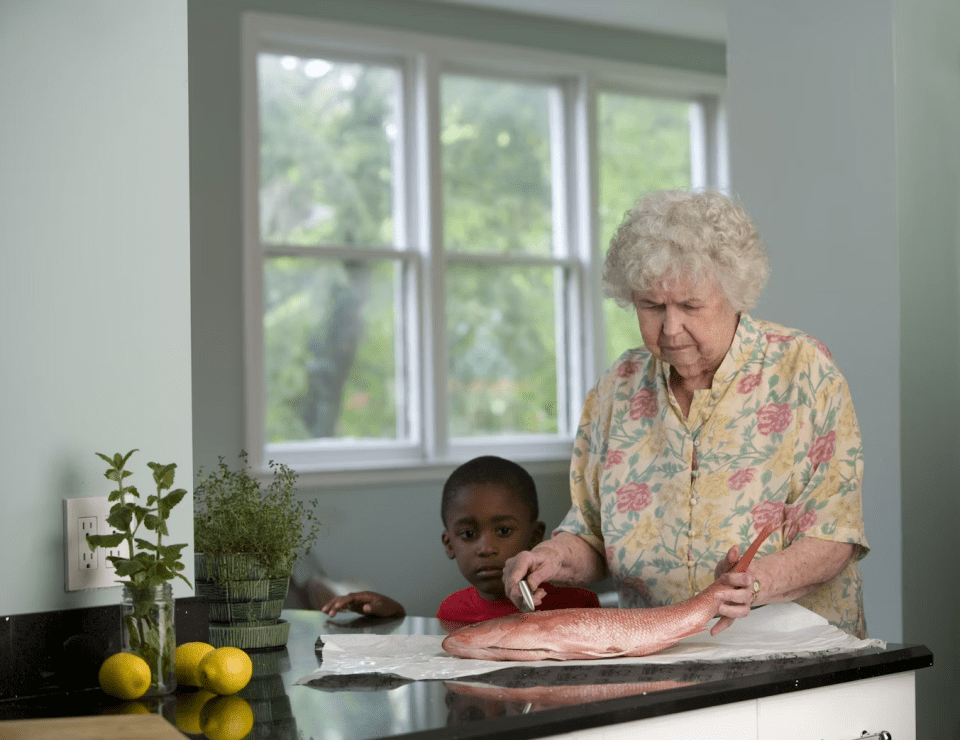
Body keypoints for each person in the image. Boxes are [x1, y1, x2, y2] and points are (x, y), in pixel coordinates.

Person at [503, 189, 869, 638]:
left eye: (691, 306)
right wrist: (551, 560)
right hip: (661, 652)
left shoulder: (804, 371)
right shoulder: (617, 388)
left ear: (735, 295)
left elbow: (834, 536)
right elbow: (592, 534)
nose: (670, 328)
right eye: (652, 307)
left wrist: (757, 582)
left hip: (793, 649)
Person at [321, 455, 600, 623]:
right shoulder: (452, 611)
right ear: (449, 544)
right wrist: (395, 619)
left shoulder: (578, 605)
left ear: (535, 536)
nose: (486, 548)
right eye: (468, 535)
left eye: (503, 531)